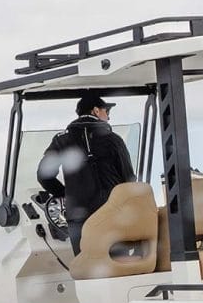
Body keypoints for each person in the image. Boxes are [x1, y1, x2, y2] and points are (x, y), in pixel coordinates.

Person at [35, 91, 135, 256]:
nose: (108, 117)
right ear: (96, 110)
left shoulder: (61, 140)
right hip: (111, 215)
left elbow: (43, 175)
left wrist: (64, 194)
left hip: (79, 219)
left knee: (86, 270)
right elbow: (129, 180)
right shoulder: (113, 139)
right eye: (106, 112)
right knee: (118, 267)